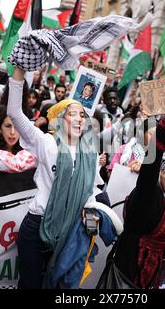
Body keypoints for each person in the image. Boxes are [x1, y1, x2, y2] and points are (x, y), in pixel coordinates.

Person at [7, 67, 104, 289]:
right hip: (36, 228)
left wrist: (93, 211)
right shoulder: (46, 143)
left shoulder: (91, 154)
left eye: (82, 115)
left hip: (70, 231)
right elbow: (14, 111)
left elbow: (93, 191)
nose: (79, 119)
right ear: (60, 120)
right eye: (73, 114)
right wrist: (20, 71)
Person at [112, 90, 165, 289]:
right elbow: (155, 154)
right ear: (158, 177)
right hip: (129, 270)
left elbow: (157, 236)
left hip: (152, 273)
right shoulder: (148, 193)